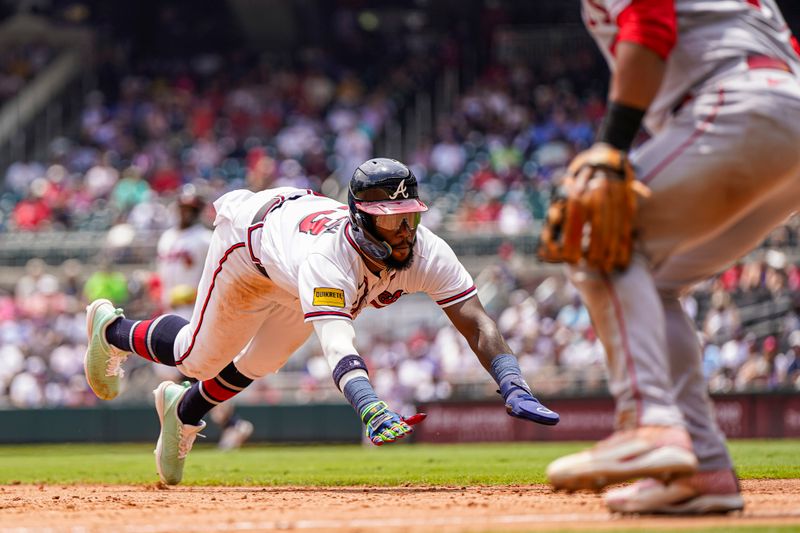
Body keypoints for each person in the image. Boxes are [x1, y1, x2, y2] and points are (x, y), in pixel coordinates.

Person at [84, 158, 560, 485]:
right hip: (251, 246)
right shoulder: (328, 259)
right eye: (390, 219)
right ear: (361, 219)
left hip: (290, 253)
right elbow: (336, 342)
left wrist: (511, 380)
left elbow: (474, 318)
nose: (404, 231)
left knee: (264, 361)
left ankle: (183, 412)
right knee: (198, 355)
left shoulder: (426, 249)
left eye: (409, 217)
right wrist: (370, 405)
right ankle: (110, 329)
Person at [540, 0, 800, 515]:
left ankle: (649, 422)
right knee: (654, 282)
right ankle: (704, 469)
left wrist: (611, 148)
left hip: (737, 106)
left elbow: (650, 23)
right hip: (779, 113)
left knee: (597, 234)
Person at [156, 185, 254, 450]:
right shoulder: (166, 238)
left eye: (191, 208)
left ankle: (212, 426)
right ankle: (229, 423)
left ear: (198, 211)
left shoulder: (204, 239)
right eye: (183, 207)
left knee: (190, 373)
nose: (186, 213)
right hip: (171, 309)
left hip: (195, 310)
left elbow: (217, 275)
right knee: (180, 377)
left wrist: (195, 293)